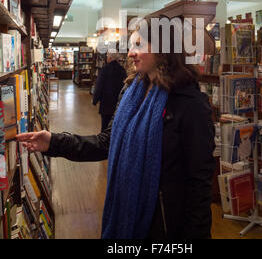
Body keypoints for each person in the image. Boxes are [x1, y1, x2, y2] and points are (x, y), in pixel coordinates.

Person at [16, 16, 216, 239]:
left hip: (166, 227)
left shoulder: (190, 105)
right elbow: (106, 143)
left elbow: (199, 186)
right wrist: (54, 142)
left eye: (138, 44)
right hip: (126, 214)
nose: (130, 53)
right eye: (131, 45)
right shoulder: (131, 91)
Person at [93, 52, 127, 132]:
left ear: (111, 58)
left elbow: (99, 85)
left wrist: (95, 99)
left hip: (106, 102)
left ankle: (104, 141)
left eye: (108, 56)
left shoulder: (105, 69)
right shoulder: (122, 70)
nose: (107, 58)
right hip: (118, 102)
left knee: (105, 124)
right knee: (115, 124)